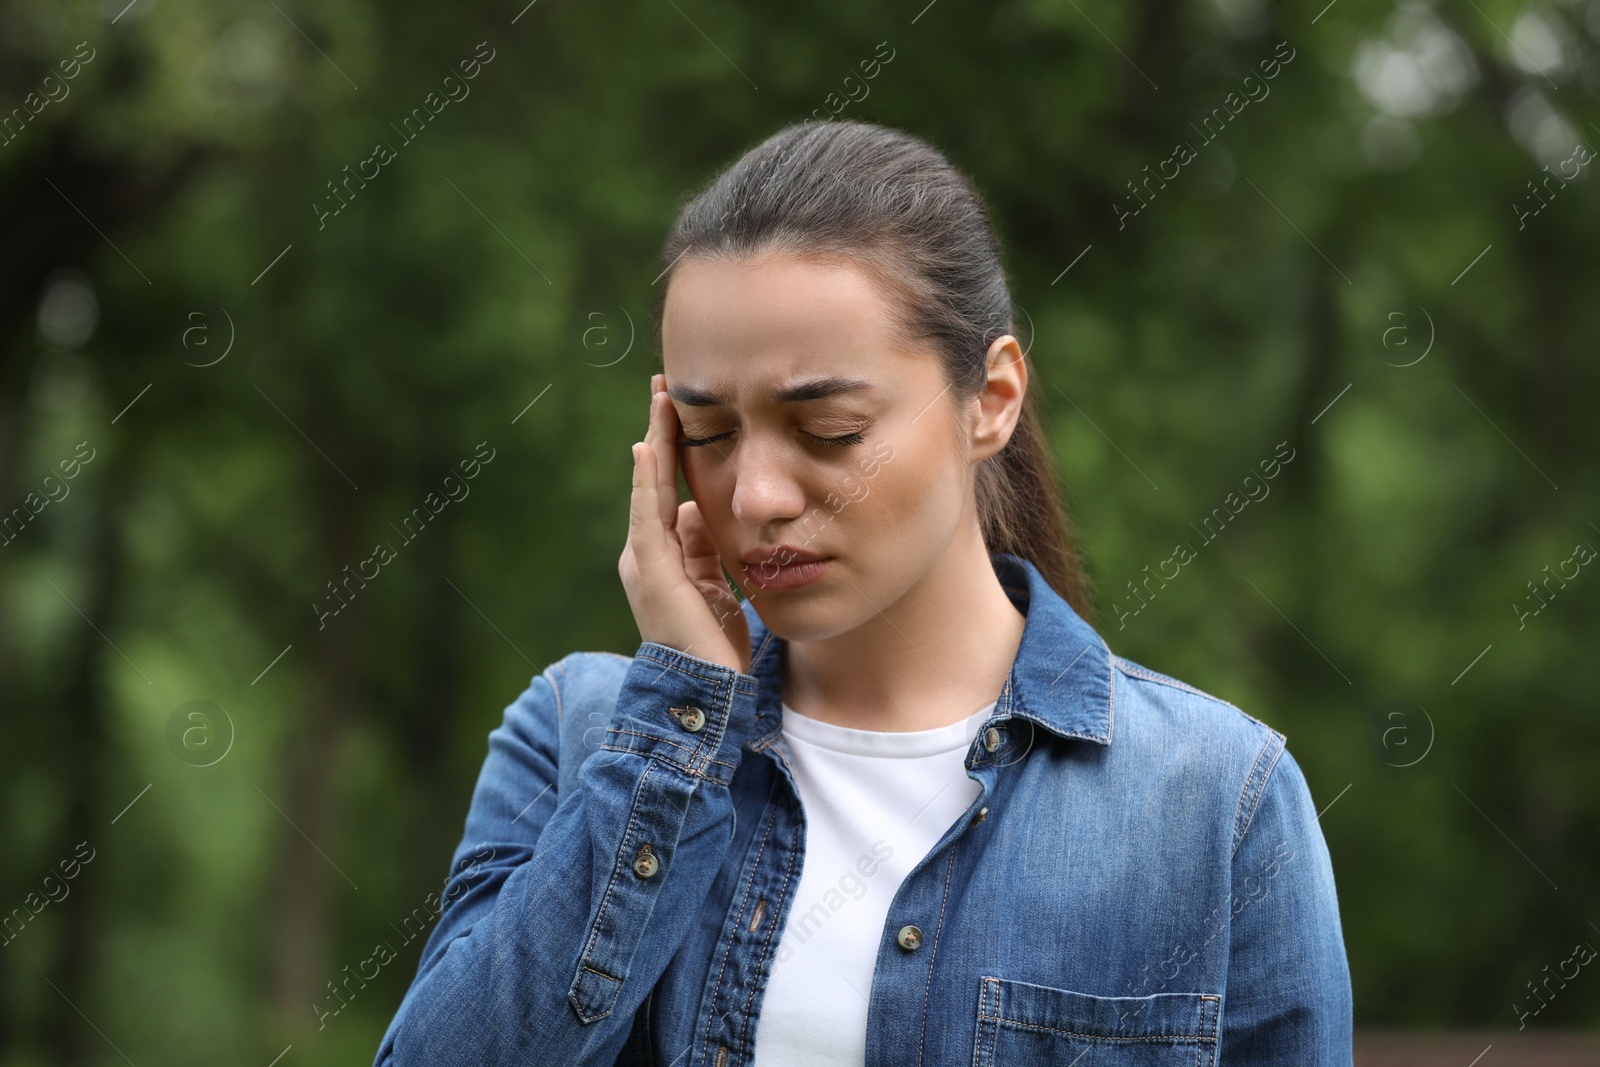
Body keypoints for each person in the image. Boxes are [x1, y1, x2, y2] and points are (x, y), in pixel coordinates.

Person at [373, 118, 1353, 1066]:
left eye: (830, 428)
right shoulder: (578, 736)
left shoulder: (1213, 805)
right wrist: (678, 732)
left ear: (992, 399)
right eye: (708, 435)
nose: (754, 494)